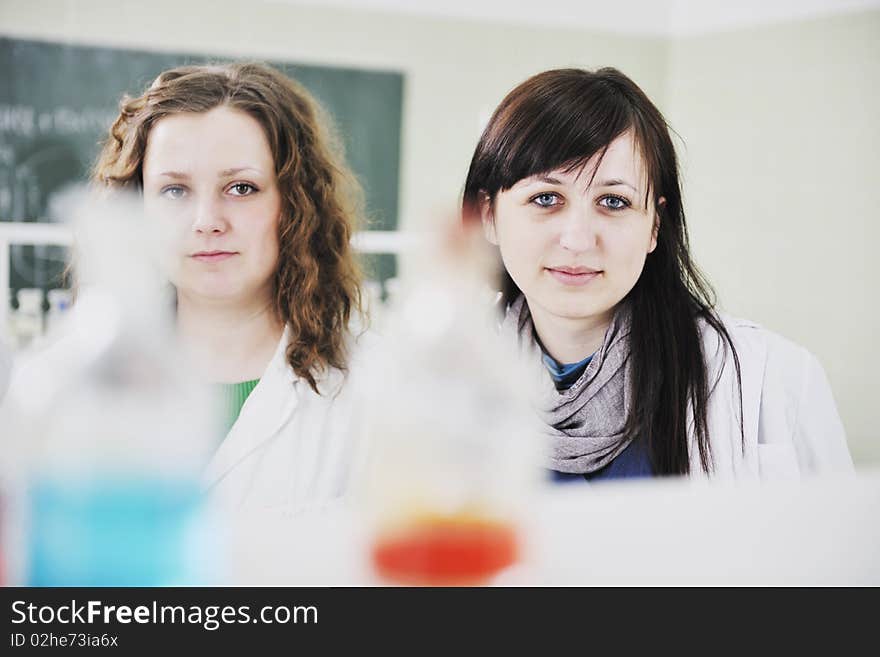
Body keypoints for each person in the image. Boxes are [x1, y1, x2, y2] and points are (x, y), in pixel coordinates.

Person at [461, 67, 853, 482]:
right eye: (546, 198)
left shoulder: (778, 380)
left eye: (613, 202)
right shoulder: (439, 387)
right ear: (489, 215)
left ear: (654, 226)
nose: (577, 239)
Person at [92, 62, 370, 511]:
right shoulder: (81, 387)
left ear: (295, 205)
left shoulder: (373, 390)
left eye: (241, 188)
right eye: (175, 191)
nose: (207, 222)